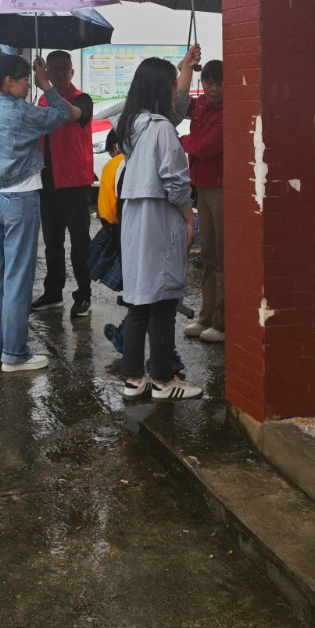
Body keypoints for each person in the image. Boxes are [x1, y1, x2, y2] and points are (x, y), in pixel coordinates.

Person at [0, 55, 76, 372]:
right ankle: (14, 354)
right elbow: (61, 114)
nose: (29, 85)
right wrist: (48, 85)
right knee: (17, 278)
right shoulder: (20, 113)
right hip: (20, 196)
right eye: (26, 79)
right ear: (9, 81)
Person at [114, 58, 202, 401]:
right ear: (159, 89)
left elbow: (177, 107)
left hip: (134, 216)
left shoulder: (129, 124)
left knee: (139, 300)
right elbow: (176, 182)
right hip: (160, 215)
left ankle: (134, 379)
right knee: (164, 300)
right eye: (171, 86)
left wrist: (185, 68)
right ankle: (164, 380)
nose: (174, 93)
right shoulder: (162, 128)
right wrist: (189, 216)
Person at [30, 50, 97, 319]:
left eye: (63, 69)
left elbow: (71, 114)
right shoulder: (42, 102)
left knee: (80, 243)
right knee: (52, 242)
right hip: (47, 181)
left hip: (74, 182)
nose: (58, 74)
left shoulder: (82, 99)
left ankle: (84, 294)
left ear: (72, 72)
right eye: (52, 69)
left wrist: (45, 86)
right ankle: (53, 292)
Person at [176, 47, 225, 342]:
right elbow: (178, 101)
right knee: (207, 255)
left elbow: (204, 147)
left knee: (222, 257)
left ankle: (222, 321)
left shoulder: (228, 110)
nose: (214, 88)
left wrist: (181, 139)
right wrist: (186, 65)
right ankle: (206, 315)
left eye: (219, 83)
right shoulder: (202, 104)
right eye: (208, 82)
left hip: (221, 189)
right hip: (202, 188)